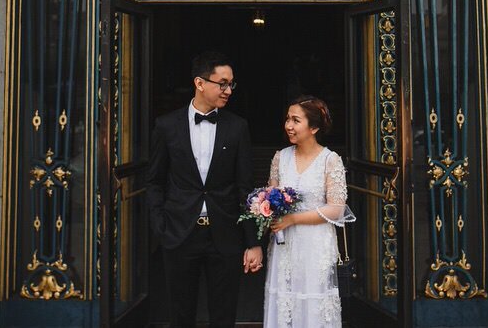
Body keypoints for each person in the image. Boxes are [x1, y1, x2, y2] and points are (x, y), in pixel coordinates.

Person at [146, 51, 264, 328]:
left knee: (224, 315)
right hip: (178, 233)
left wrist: (252, 241)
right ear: (200, 83)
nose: (228, 90)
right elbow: (154, 182)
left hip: (224, 234)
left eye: (231, 84)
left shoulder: (238, 127)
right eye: (222, 83)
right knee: (180, 314)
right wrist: (161, 225)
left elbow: (244, 187)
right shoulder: (166, 126)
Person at [264, 95, 354, 327]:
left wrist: (293, 218)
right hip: (285, 246)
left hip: (316, 245)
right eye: (287, 119)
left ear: (314, 127)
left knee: (313, 304)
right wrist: (263, 207)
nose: (288, 126)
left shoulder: (330, 160)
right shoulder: (280, 158)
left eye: (295, 120)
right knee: (285, 301)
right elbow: (270, 198)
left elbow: (336, 208)